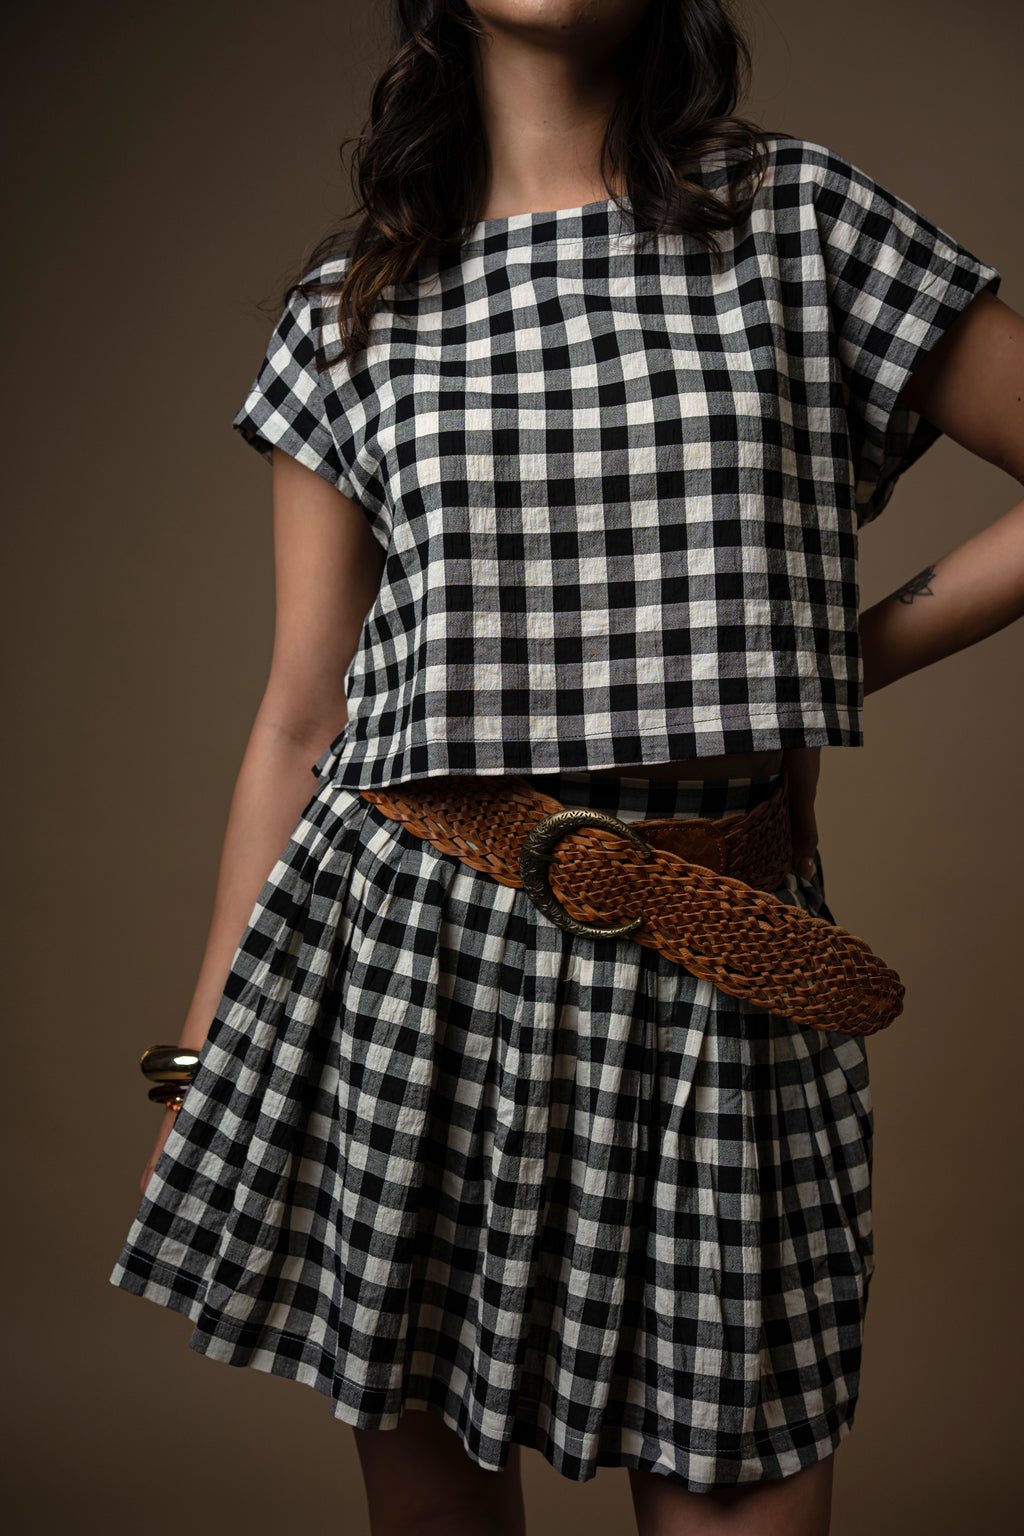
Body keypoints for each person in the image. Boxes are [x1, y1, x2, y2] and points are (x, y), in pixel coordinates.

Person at [109, 2, 1023, 1532]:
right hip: (415, 968)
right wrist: (196, 1065)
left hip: (720, 971)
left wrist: (835, 660)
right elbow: (299, 716)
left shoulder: (800, 221)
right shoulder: (351, 309)